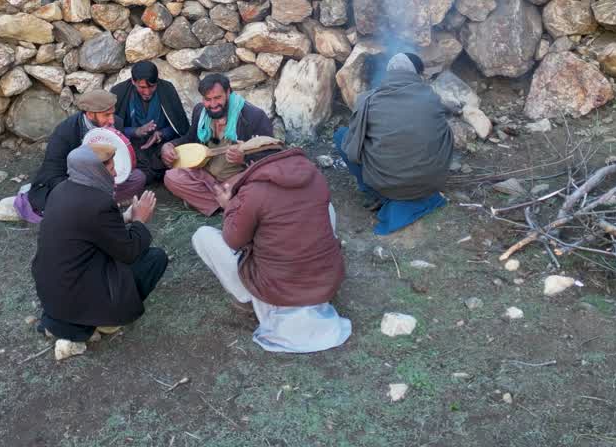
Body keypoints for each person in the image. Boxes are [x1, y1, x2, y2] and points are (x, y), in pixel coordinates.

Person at [191, 145, 351, 353]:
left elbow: (233, 241)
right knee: (326, 207)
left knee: (202, 236)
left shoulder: (253, 191)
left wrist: (229, 206)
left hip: (277, 291)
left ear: (250, 164)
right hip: (325, 284)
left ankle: (247, 300)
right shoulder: (316, 176)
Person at [31, 143, 168, 347]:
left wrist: (125, 217)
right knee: (154, 258)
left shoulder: (61, 189)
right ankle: (106, 319)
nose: (113, 175)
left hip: (52, 291)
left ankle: (69, 321)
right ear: (95, 171)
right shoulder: (98, 202)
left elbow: (88, 229)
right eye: (111, 169)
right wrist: (140, 220)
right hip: (75, 295)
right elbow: (129, 252)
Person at [335, 53, 455, 235]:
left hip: (389, 188)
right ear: (416, 74)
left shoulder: (368, 99)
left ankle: (372, 192)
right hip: (431, 184)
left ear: (389, 73)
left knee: (342, 136)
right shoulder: (431, 97)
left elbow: (353, 151)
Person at [15, 89, 147, 223]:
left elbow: (119, 159)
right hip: (75, 183)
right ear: (90, 114)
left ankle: (98, 203)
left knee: (138, 177)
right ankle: (100, 203)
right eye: (106, 115)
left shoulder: (116, 123)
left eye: (112, 113)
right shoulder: (65, 132)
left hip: (106, 179)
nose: (112, 119)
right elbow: (52, 173)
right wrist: (82, 187)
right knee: (69, 196)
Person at [161, 73, 274, 215]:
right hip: (205, 175)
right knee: (171, 177)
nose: (213, 104)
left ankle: (212, 200)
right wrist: (169, 145)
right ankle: (227, 203)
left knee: (255, 187)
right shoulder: (200, 111)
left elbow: (270, 159)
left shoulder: (253, 116)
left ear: (228, 92)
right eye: (207, 99)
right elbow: (189, 139)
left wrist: (243, 159)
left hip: (237, 178)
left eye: (217, 98)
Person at [108, 62, 191, 185]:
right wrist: (136, 131)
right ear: (133, 81)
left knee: (177, 158)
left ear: (157, 81)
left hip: (160, 145)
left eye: (151, 87)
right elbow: (111, 131)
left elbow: (179, 126)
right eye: (142, 87)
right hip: (131, 146)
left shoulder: (167, 89)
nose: (147, 92)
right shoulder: (119, 92)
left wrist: (160, 133)